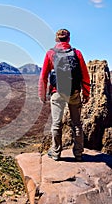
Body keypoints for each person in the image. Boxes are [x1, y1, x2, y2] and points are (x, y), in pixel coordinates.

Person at [38, 29, 90, 161]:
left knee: (56, 124)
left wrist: (42, 94)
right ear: (68, 39)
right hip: (74, 92)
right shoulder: (77, 53)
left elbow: (43, 76)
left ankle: (56, 153)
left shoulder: (51, 53)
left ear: (57, 39)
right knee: (77, 124)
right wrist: (86, 93)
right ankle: (78, 154)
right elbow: (85, 75)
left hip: (57, 92)